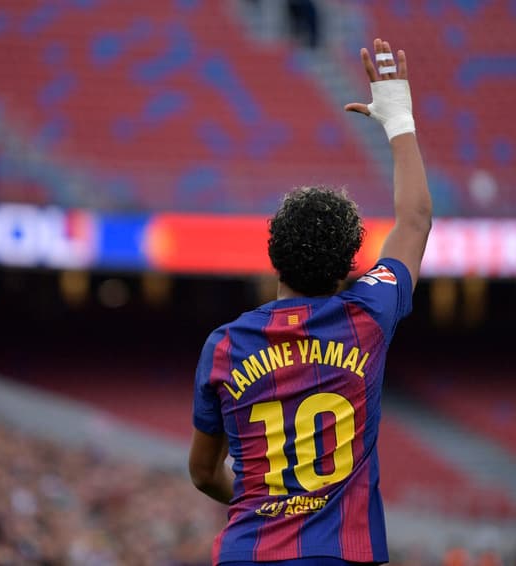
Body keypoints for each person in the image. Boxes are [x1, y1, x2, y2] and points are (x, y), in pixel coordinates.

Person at [188, 38, 432, 566]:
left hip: (247, 553)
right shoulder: (367, 316)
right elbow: (414, 222)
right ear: (350, 266)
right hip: (343, 554)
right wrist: (398, 119)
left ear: (273, 255)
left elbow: (204, 473)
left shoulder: (225, 346)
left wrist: (270, 507)